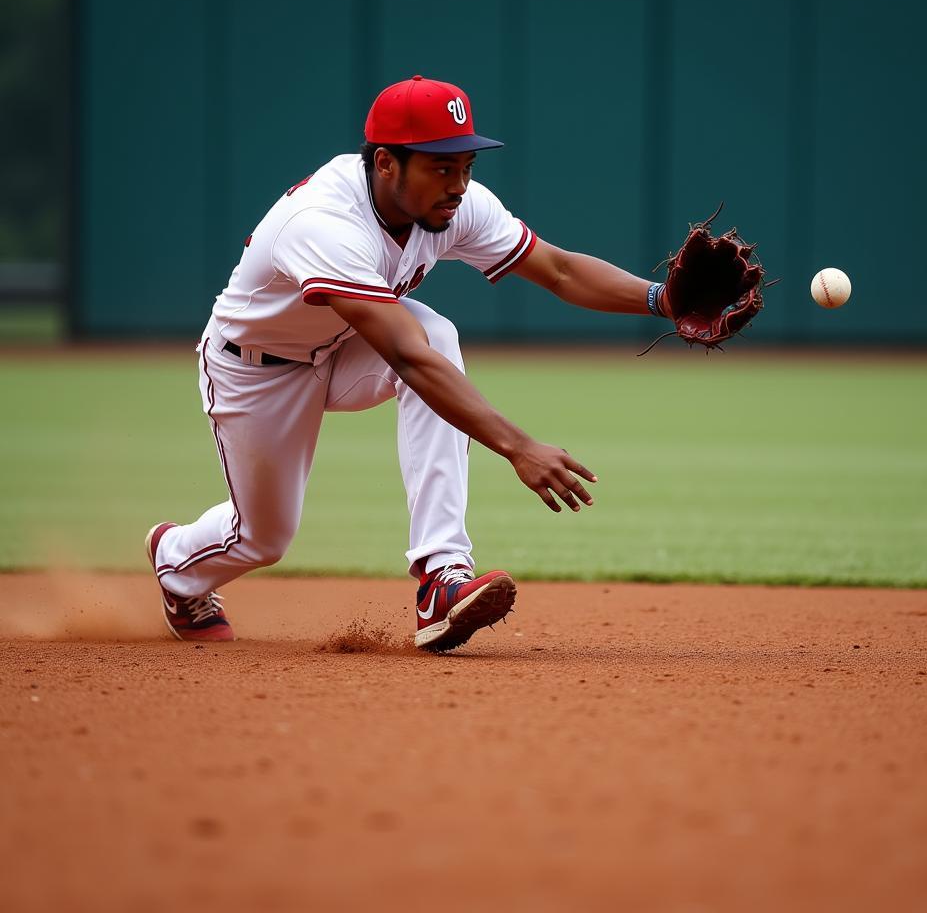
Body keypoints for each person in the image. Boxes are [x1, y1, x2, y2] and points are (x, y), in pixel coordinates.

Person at [145, 75, 670, 651]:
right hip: (256, 369)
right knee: (264, 539)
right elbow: (405, 356)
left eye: (466, 163)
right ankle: (176, 561)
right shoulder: (324, 223)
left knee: (435, 333)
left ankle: (441, 579)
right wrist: (518, 446)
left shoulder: (454, 205)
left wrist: (664, 300)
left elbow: (560, 270)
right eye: (441, 166)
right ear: (386, 164)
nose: (459, 183)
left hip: (344, 344)